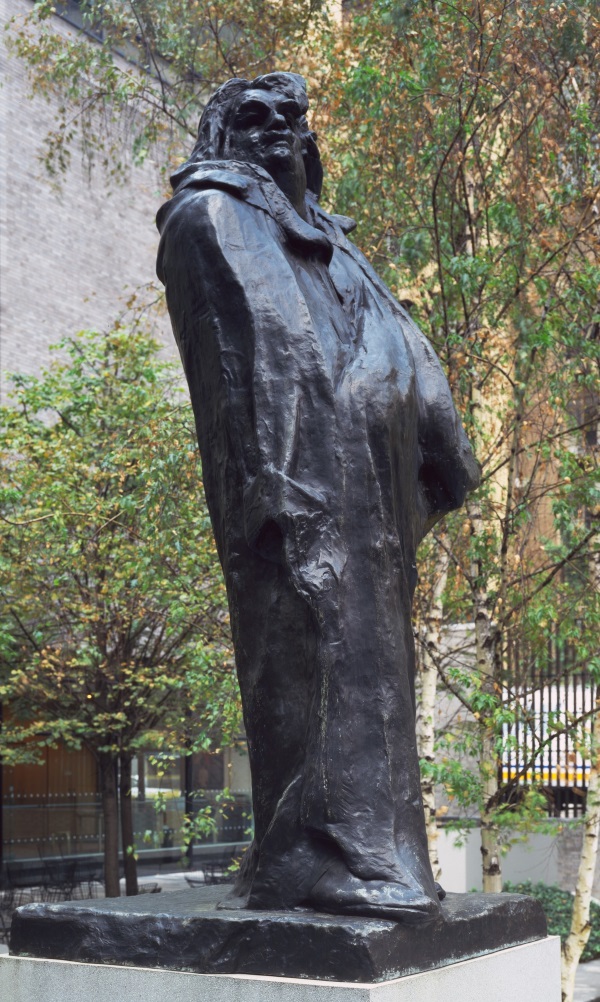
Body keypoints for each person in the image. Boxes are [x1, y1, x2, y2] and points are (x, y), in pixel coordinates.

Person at [156, 72, 480, 923]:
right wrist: (278, 487)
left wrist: (437, 438)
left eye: (290, 118)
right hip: (294, 492)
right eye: (252, 118)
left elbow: (399, 338)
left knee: (373, 673)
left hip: (367, 492)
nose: (276, 130)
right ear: (222, 138)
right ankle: (318, 858)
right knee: (314, 655)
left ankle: (376, 854)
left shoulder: (331, 239)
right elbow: (255, 355)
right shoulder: (211, 216)